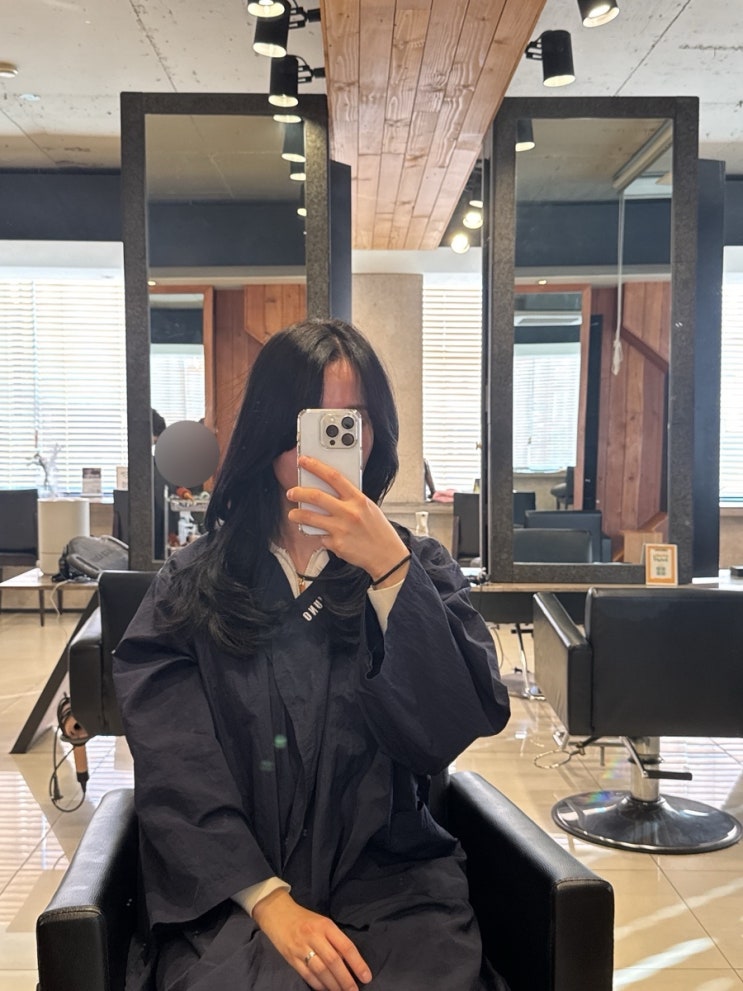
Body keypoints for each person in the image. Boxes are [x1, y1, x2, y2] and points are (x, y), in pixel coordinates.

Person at [113, 319, 511, 991]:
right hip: (236, 891)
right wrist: (267, 899)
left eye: (353, 420)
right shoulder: (193, 585)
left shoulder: (418, 567)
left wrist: (391, 572)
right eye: (312, 418)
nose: (331, 439)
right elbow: (178, 764)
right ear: (272, 425)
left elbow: (446, 729)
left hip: (392, 883)